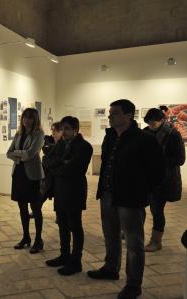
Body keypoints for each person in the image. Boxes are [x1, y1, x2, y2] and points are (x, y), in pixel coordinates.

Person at [87, 99, 164, 299]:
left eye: (115, 113)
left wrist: (141, 191)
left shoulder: (144, 139)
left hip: (131, 198)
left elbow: (157, 172)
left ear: (129, 115)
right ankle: (111, 268)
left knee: (133, 242)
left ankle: (133, 284)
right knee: (110, 235)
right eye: (110, 113)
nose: (110, 116)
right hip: (108, 195)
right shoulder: (110, 137)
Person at [44, 116, 93, 276]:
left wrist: (58, 167)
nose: (63, 132)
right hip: (60, 190)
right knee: (62, 224)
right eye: (62, 128)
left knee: (75, 226)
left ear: (75, 130)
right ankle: (64, 255)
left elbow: (75, 169)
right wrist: (62, 162)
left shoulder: (84, 147)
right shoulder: (61, 144)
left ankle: (76, 261)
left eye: (67, 129)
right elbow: (47, 161)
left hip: (74, 191)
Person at [143, 108, 185, 251]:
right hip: (147, 178)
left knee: (156, 210)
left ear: (162, 120)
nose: (150, 125)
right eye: (148, 122)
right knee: (139, 205)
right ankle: (136, 233)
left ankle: (156, 241)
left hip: (164, 180)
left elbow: (180, 159)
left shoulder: (173, 134)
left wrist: (158, 161)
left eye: (153, 123)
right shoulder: (146, 131)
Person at [7, 108, 45, 254]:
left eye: (29, 118)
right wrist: (20, 154)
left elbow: (30, 154)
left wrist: (18, 154)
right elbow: (8, 153)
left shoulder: (39, 134)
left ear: (35, 119)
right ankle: (26, 237)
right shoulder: (18, 134)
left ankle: (38, 240)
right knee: (22, 208)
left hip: (32, 176)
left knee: (35, 209)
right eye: (24, 117)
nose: (26, 120)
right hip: (19, 174)